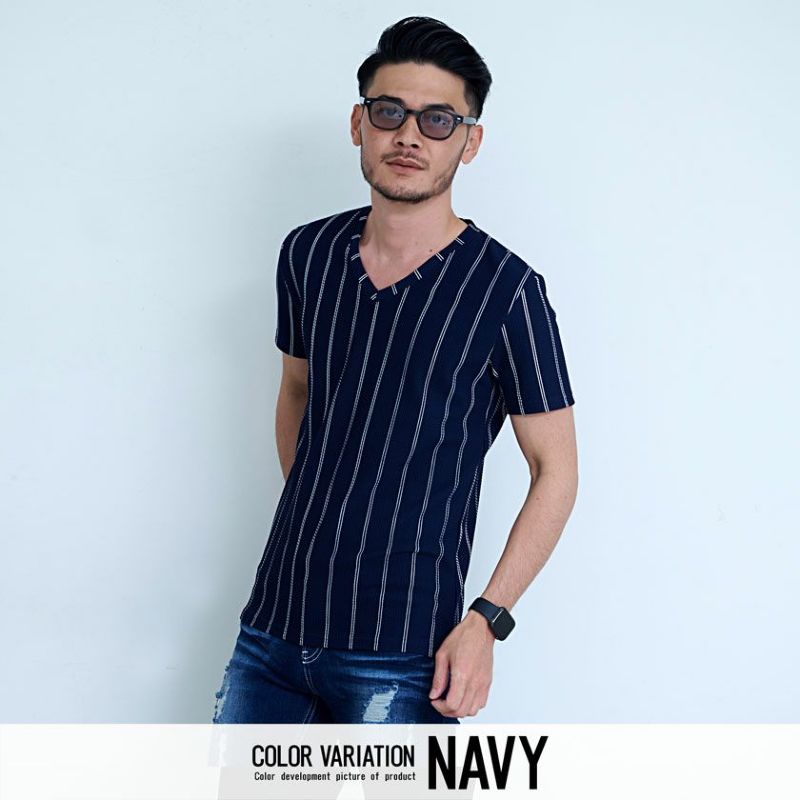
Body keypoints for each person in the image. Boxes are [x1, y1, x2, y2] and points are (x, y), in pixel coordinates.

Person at [212, 15, 578, 725]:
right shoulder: (308, 254)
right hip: (272, 629)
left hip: (405, 648)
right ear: (359, 124)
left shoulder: (508, 292)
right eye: (390, 112)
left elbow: (556, 470)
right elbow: (297, 390)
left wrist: (488, 620)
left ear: (470, 142)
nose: (410, 136)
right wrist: (329, 517)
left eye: (438, 120)